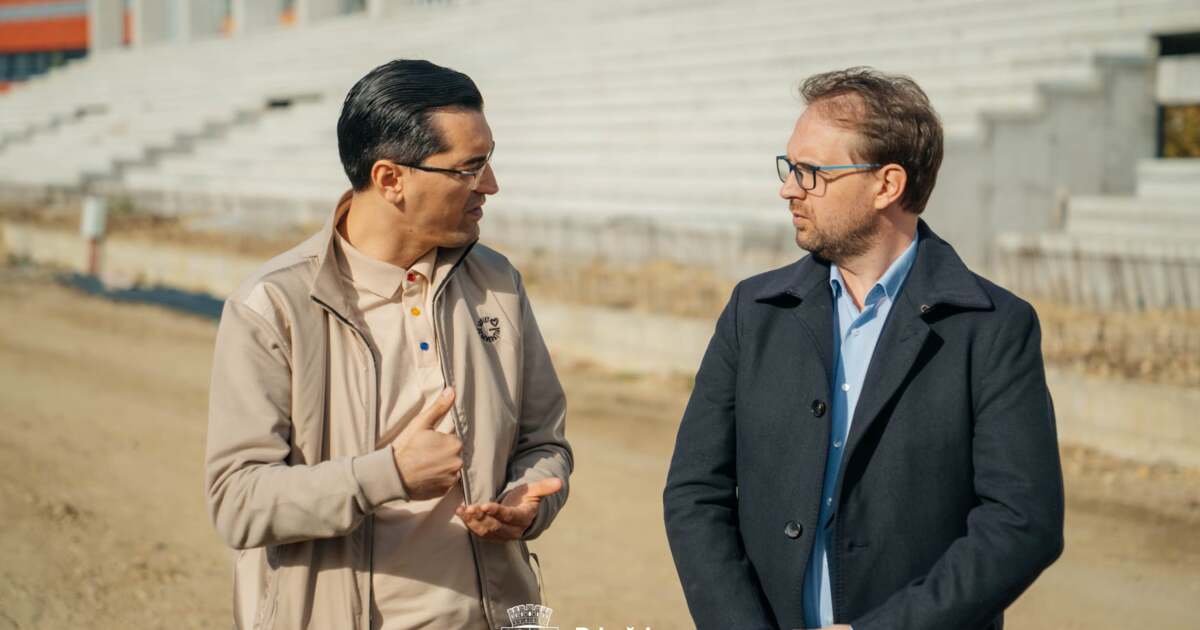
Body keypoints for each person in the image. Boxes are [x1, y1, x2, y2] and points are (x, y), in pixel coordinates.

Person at [663, 67, 1064, 630]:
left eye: (811, 172)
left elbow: (1022, 523)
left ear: (886, 185)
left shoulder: (993, 328)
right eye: (789, 167)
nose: (788, 188)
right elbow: (694, 493)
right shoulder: (754, 312)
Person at [204, 59, 572, 630]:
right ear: (390, 179)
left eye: (489, 160)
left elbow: (544, 441)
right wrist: (388, 474)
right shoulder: (273, 307)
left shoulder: (498, 284)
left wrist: (528, 503)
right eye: (469, 168)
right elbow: (237, 502)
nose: (491, 185)